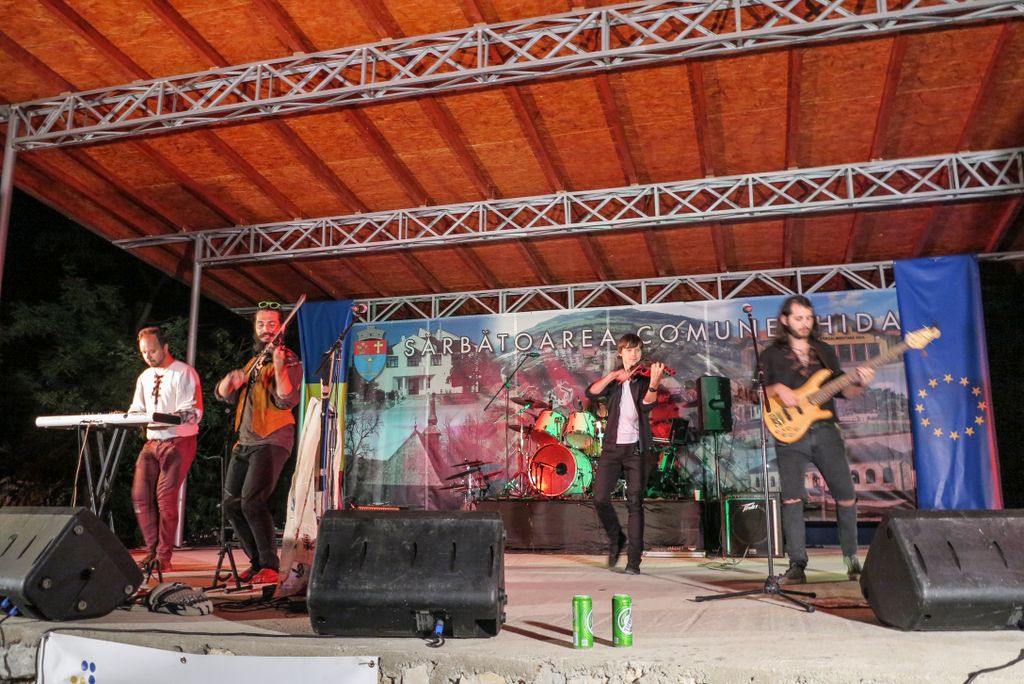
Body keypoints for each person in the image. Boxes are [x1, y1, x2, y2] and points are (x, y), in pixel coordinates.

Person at [763, 295, 874, 584]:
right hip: (790, 434)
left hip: (825, 430)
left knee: (846, 495)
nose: (805, 323)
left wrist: (861, 383)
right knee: (792, 497)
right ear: (785, 320)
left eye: (809, 318)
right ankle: (797, 564)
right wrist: (777, 389)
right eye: (799, 318)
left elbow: (845, 391)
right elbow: (754, 392)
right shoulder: (771, 354)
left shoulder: (823, 351)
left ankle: (851, 560)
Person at [215, 302, 302, 585]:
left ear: (281, 328)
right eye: (261, 324)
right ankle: (256, 563)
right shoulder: (253, 362)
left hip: (272, 439)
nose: (266, 329)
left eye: (272, 324)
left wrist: (279, 367)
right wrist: (228, 383)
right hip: (245, 441)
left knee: (253, 501)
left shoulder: (288, 359)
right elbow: (223, 395)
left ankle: (270, 566)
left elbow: (287, 399)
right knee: (231, 505)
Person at [586, 333, 665, 574]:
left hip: (636, 449)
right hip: (612, 447)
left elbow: (647, 405)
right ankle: (616, 538)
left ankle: (633, 561)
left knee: (635, 503)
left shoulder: (644, 378)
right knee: (600, 497)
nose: (634, 354)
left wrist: (654, 382)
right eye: (630, 350)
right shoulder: (614, 381)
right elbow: (591, 393)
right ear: (620, 353)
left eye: (638, 350)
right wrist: (613, 375)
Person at [129, 326, 203, 574]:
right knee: (140, 495)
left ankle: (163, 556)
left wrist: (168, 418)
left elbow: (193, 411)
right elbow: (137, 409)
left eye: (152, 351)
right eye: (144, 352)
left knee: (165, 498)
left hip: (178, 441)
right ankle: (152, 552)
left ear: (165, 347)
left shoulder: (184, 372)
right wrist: (130, 416)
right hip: (152, 441)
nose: (148, 356)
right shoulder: (144, 377)